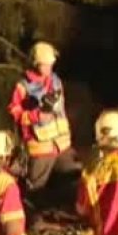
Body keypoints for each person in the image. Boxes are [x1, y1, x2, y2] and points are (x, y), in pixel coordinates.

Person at [8, 41, 81, 215]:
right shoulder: (23, 86)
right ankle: (33, 222)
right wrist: (35, 116)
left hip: (62, 145)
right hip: (40, 147)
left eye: (51, 64)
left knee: (74, 179)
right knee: (35, 190)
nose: (49, 67)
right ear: (35, 63)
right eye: (45, 64)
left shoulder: (56, 80)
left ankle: (69, 215)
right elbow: (14, 111)